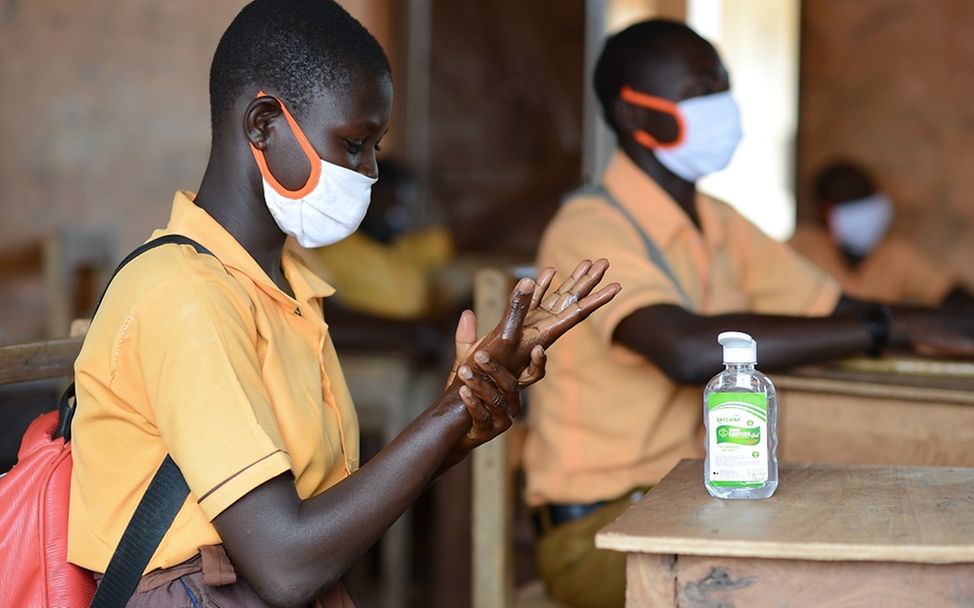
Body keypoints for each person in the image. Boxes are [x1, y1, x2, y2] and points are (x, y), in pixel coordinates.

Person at [66, 2, 620, 606]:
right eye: (354, 144)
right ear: (262, 124)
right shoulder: (186, 294)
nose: (370, 171)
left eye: (375, 146)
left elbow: (325, 524)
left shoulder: (285, 285)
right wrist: (446, 417)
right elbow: (286, 563)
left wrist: (462, 411)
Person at [524, 19, 974, 608]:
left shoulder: (718, 221)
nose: (720, 105)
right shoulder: (589, 226)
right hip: (601, 530)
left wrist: (919, 322)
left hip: (700, 496)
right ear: (634, 115)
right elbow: (684, 350)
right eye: (697, 92)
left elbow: (837, 306)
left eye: (721, 84)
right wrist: (887, 329)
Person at [296, 159, 456, 320]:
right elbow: (329, 316)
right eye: (387, 201)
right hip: (377, 342)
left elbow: (463, 238)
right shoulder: (334, 250)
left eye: (401, 203)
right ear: (364, 200)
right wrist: (415, 331)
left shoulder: (405, 247)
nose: (397, 212)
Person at [790, 160, 967, 305]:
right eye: (851, 206)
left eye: (866, 202)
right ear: (825, 213)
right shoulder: (800, 248)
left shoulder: (895, 253)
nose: (865, 217)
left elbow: (948, 291)